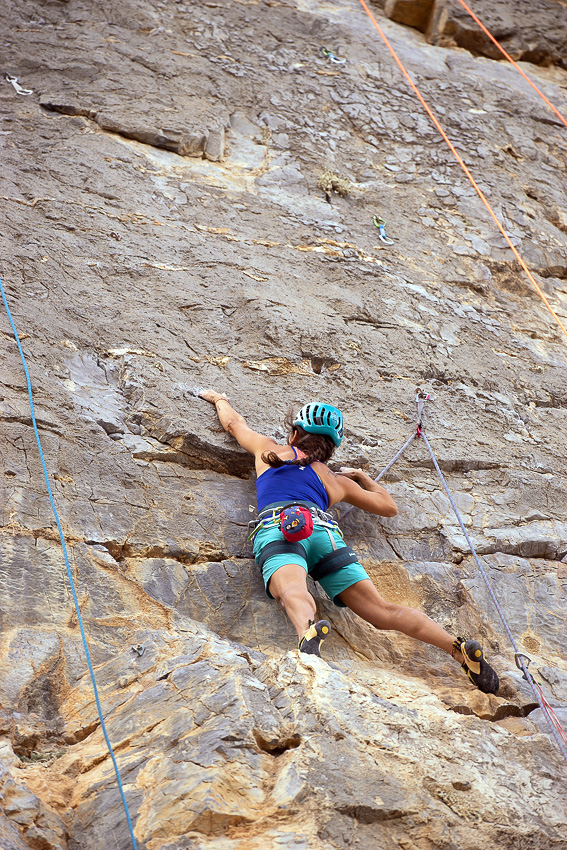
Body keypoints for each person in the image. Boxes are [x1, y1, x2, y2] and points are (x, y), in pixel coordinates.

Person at [198, 391, 499, 694]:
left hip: (282, 526)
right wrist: (364, 478)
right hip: (325, 534)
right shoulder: (337, 482)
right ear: (330, 448)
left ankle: (307, 633)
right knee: (383, 611)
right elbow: (388, 507)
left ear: (295, 432)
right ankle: (457, 649)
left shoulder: (268, 450)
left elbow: (234, 424)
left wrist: (219, 399)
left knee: (291, 589)